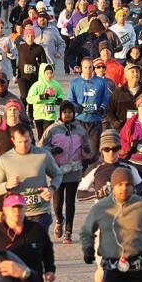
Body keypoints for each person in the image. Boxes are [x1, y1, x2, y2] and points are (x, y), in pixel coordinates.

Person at [0, 123, 62, 231]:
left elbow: (57, 174)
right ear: (13, 140)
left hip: (40, 212)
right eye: (19, 142)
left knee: (35, 246)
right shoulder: (5, 159)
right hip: (15, 214)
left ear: (31, 138)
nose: (23, 146)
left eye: (26, 141)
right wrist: (7, 185)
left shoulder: (43, 155)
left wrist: (52, 188)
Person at [0, 193, 54, 282]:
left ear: (25, 209)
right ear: (5, 210)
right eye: (13, 208)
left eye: (20, 207)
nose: (17, 212)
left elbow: (47, 250)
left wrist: (50, 270)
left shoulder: (36, 230)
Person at [38, 100, 91, 244]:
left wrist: (86, 151)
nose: (67, 115)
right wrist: (52, 150)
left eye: (70, 112)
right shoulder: (52, 129)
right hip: (57, 171)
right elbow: (41, 147)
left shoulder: (80, 130)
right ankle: (60, 221)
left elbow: (88, 149)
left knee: (70, 202)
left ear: (73, 113)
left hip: (74, 170)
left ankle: (68, 232)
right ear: (60, 113)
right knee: (57, 203)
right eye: (65, 112)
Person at [68, 56, 109, 161]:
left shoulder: (100, 82)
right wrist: (76, 107)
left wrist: (102, 107)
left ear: (93, 68)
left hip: (95, 120)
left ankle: (91, 170)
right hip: (80, 120)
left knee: (94, 152)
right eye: (85, 67)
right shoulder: (75, 83)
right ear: (81, 67)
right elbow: (70, 100)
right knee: (79, 149)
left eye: (90, 67)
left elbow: (106, 97)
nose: (88, 70)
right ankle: (82, 172)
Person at [26, 63, 65, 139]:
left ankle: (47, 149)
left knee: (47, 135)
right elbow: (29, 99)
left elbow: (61, 94)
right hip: (39, 115)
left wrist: (60, 99)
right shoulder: (36, 85)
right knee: (41, 136)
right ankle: (42, 149)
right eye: (47, 73)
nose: (49, 75)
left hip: (50, 115)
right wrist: (40, 97)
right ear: (42, 73)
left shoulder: (56, 84)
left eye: (51, 73)